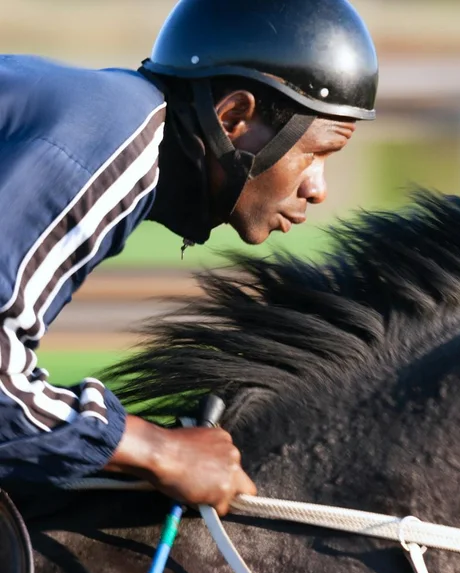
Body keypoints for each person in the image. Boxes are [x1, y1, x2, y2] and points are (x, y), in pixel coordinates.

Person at [0, 0, 378, 518]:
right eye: (316, 153)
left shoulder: (111, 117)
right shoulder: (113, 139)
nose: (319, 189)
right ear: (234, 118)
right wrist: (158, 451)